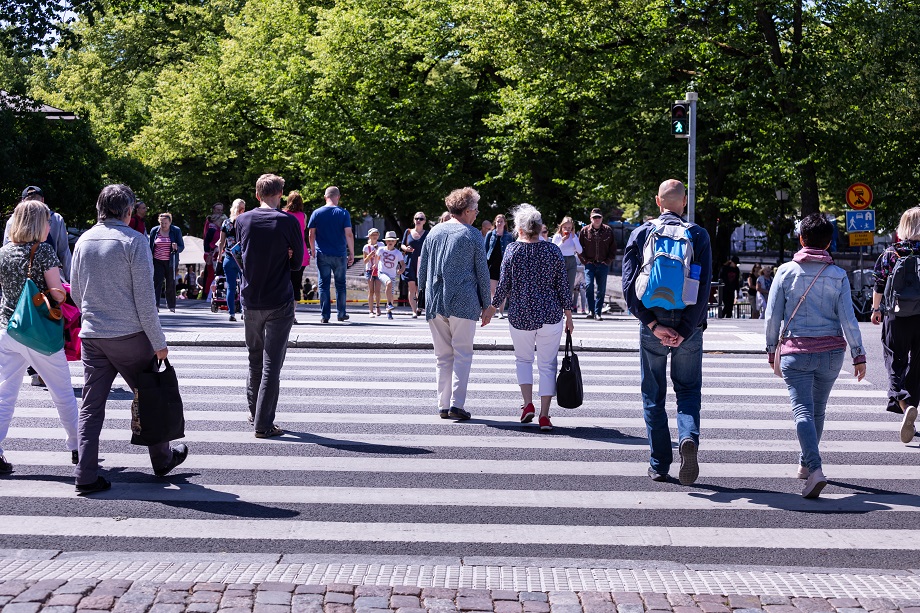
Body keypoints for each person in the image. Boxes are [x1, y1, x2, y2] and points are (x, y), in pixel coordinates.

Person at [70, 184, 188, 495]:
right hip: (129, 336)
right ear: (128, 210)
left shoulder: (83, 241)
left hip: (93, 335)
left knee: (91, 406)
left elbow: (77, 292)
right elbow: (146, 301)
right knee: (150, 397)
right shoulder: (134, 241)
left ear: (99, 209)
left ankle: (85, 473)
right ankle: (162, 459)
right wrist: (159, 342)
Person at [765, 213, 866, 498]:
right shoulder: (838, 275)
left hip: (797, 350)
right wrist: (858, 354)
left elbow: (772, 316)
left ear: (801, 239)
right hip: (831, 353)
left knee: (802, 410)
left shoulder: (785, 272)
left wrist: (771, 349)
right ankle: (804, 464)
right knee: (818, 410)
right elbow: (848, 318)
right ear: (829, 242)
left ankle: (815, 468)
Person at [622, 179, 712, 485]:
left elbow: (629, 288)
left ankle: (660, 463)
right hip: (689, 321)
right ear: (684, 202)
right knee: (687, 389)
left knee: (653, 392)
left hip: (653, 320)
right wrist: (685, 329)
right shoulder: (698, 234)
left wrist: (653, 324)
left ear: (658, 201)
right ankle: (688, 437)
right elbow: (703, 289)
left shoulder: (641, 233)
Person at [0, 199, 79, 475]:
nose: (49, 227)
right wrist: (64, 291)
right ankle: (78, 447)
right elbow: (57, 293)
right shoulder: (43, 251)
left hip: (8, 329)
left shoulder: (3, 252)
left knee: (5, 394)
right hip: (40, 333)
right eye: (47, 221)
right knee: (62, 393)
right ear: (37, 224)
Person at [486, 204, 574, 432]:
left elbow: (504, 284)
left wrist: (492, 308)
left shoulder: (512, 250)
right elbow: (562, 286)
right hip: (550, 315)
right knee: (547, 365)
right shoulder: (552, 250)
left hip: (521, 314)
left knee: (523, 360)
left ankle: (527, 404)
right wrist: (569, 315)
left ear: (520, 229)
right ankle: (544, 416)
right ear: (539, 227)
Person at [236, 174, 304, 438]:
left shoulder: (242, 220)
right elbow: (297, 263)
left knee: (254, 358)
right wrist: (286, 255)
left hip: (251, 299)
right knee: (271, 365)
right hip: (279, 300)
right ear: (281, 194)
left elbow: (243, 254)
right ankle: (263, 424)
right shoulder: (288, 221)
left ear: (257, 195)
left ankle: (255, 412)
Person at [418, 187, 492, 420]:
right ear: (467, 210)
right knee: (463, 353)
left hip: (435, 300)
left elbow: (423, 268)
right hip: (464, 300)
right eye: (476, 210)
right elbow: (482, 272)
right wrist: (487, 304)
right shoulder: (472, 235)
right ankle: (456, 404)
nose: (477, 214)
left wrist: (422, 296)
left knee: (442, 355)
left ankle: (442, 404)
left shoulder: (434, 232)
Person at [871, 206, 920, 442]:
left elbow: (879, 283)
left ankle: (904, 403)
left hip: (896, 315)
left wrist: (875, 310)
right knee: (918, 365)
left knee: (894, 359)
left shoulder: (892, 253)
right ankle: (911, 405)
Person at [308, 186, 355, 323]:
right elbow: (349, 234)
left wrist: (313, 249)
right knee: (340, 284)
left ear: (325, 197)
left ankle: (325, 316)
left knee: (323, 285)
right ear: (338, 197)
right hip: (340, 254)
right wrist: (352, 252)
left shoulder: (316, 213)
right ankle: (341, 314)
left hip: (322, 254)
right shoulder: (343, 213)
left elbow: (311, 234)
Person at [578, 208, 616, 320]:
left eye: (599, 217)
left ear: (602, 218)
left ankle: (598, 312)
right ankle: (591, 310)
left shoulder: (608, 230)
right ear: (591, 218)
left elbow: (613, 248)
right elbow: (579, 249)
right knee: (589, 286)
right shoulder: (584, 231)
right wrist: (585, 261)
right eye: (594, 217)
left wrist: (608, 261)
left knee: (601, 289)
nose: (597, 219)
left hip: (603, 264)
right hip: (590, 264)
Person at [148, 212, 184, 313]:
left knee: (170, 283)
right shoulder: (154, 230)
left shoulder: (176, 230)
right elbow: (150, 246)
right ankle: (155, 305)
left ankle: (171, 306)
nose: (163, 225)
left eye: (165, 223)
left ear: (170, 222)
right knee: (157, 283)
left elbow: (181, 246)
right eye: (161, 223)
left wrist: (176, 248)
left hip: (171, 261)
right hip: (157, 261)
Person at [217, 199, 246, 321]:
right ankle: (244, 311)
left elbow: (221, 242)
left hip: (229, 257)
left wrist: (219, 255)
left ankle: (232, 313)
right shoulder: (245, 222)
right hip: (241, 258)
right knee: (244, 286)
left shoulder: (226, 222)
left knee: (230, 287)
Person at [484, 214, 514, 319]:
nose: (499, 223)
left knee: (502, 288)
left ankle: (500, 312)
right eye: (498, 221)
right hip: (492, 263)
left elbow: (512, 250)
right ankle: (494, 307)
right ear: (495, 223)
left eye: (501, 221)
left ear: (505, 223)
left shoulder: (509, 236)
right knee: (493, 290)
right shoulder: (490, 234)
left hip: (504, 264)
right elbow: (485, 248)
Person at [283, 191, 310, 301]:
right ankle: (293, 309)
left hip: (286, 251)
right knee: (297, 283)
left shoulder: (283, 214)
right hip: (301, 251)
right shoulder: (303, 216)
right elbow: (303, 229)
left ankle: (285, 308)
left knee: (284, 282)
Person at [401, 212, 428, 318]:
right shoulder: (408, 232)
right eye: (416, 218)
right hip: (410, 261)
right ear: (414, 220)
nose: (418, 220)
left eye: (421, 219)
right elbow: (402, 244)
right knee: (411, 286)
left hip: (422, 263)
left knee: (420, 287)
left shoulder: (428, 234)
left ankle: (419, 306)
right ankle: (414, 311)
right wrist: (406, 248)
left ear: (424, 221)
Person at [377, 231, 406, 320]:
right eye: (389, 240)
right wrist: (375, 265)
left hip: (392, 275)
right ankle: (389, 304)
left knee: (391, 294)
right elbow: (376, 258)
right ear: (386, 241)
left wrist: (401, 270)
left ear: (395, 242)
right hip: (382, 272)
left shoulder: (397, 253)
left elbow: (403, 264)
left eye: (392, 241)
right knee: (388, 283)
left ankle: (389, 311)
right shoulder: (381, 250)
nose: (390, 242)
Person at [200, 202, 226, 299]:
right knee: (211, 274)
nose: (219, 212)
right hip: (212, 252)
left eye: (221, 210)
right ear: (213, 210)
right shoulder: (210, 223)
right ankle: (208, 295)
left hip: (222, 251)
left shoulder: (224, 221)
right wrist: (208, 253)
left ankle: (220, 294)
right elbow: (206, 238)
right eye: (218, 209)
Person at [552, 216, 583, 294]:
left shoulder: (574, 236)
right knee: (559, 284)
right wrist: (562, 241)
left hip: (571, 260)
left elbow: (580, 251)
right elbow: (553, 251)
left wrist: (574, 238)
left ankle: (568, 301)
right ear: (561, 226)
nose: (567, 229)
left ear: (572, 228)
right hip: (560, 260)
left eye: (569, 228)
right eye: (565, 227)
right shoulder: (557, 236)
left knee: (570, 285)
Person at [363, 229, 383, 317]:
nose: (375, 236)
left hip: (379, 269)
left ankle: (378, 307)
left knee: (378, 291)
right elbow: (365, 261)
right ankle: (370, 311)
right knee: (371, 291)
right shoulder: (366, 247)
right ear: (369, 236)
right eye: (373, 235)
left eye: (376, 234)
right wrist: (370, 255)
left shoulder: (381, 245)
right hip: (369, 270)